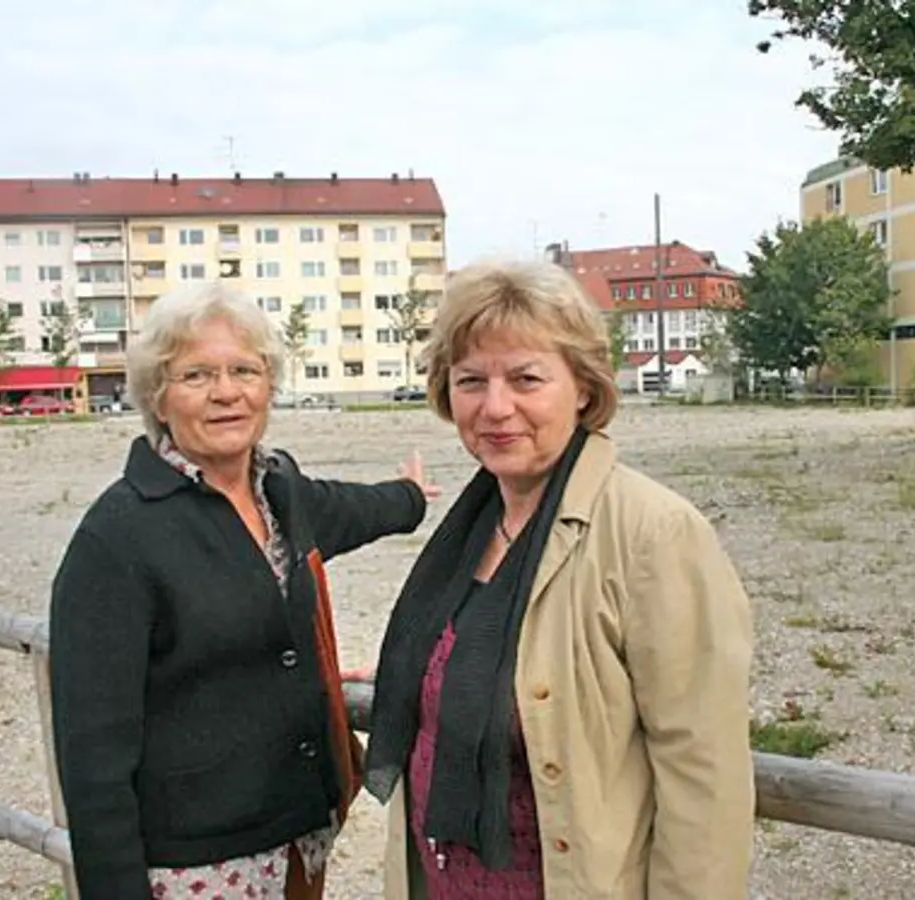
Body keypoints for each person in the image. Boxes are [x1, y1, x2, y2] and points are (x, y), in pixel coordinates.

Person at [362, 259, 756, 899]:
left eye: (526, 379)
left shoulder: (653, 535)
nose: (495, 407)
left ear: (582, 386)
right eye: (471, 380)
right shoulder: (469, 531)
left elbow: (703, 773)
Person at [48, 281, 439, 899]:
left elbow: (347, 509)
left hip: (298, 842)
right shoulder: (117, 538)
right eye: (196, 374)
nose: (226, 392)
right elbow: (93, 758)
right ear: (158, 394)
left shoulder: (277, 490)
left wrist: (410, 499)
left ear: (269, 386)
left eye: (244, 370)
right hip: (194, 868)